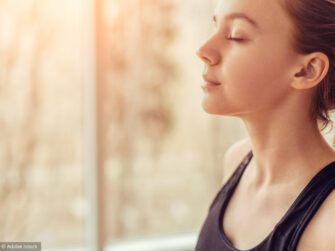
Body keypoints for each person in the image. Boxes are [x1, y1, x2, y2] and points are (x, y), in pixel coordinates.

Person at [195, 0, 335, 250]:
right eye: (215, 26)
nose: (204, 50)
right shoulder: (236, 160)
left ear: (307, 70)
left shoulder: (330, 220)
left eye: (236, 35)